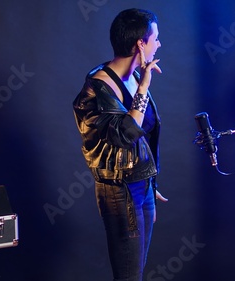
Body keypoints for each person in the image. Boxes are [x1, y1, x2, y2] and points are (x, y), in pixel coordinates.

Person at [73, 8, 168, 281]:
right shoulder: (100, 86)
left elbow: (147, 134)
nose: (158, 44)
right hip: (119, 191)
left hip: (142, 185)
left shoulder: (135, 76)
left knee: (135, 271)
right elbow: (124, 135)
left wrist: (152, 183)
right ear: (140, 43)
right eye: (155, 38)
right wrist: (143, 88)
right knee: (128, 275)